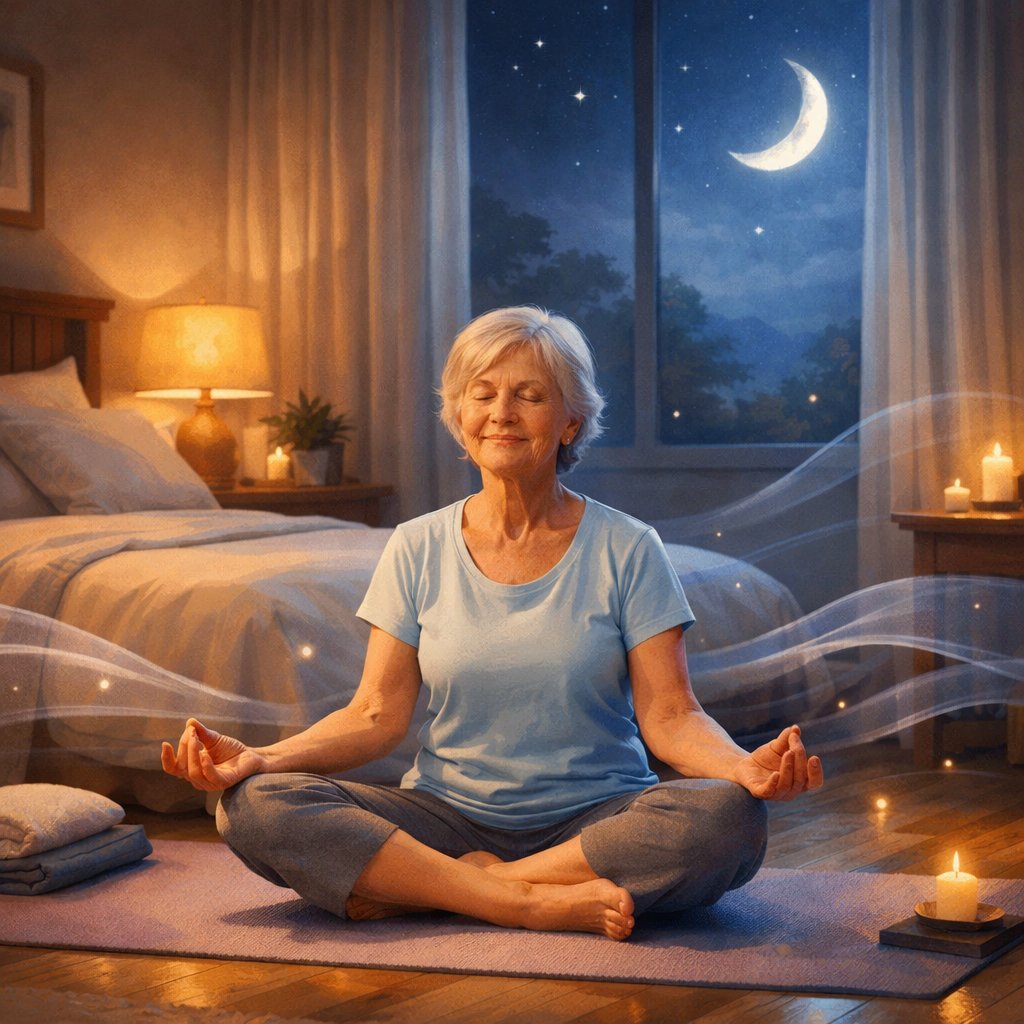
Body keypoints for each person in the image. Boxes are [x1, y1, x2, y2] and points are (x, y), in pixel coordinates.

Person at [161, 305, 823, 941]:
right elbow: (374, 716)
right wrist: (263, 758)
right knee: (254, 804)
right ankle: (522, 902)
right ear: (460, 418)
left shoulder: (629, 547)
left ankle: (449, 889)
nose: (501, 413)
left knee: (729, 817)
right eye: (482, 395)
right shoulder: (416, 546)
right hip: (445, 817)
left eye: (529, 396)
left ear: (570, 422)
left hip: (597, 822)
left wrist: (744, 768)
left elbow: (672, 717)